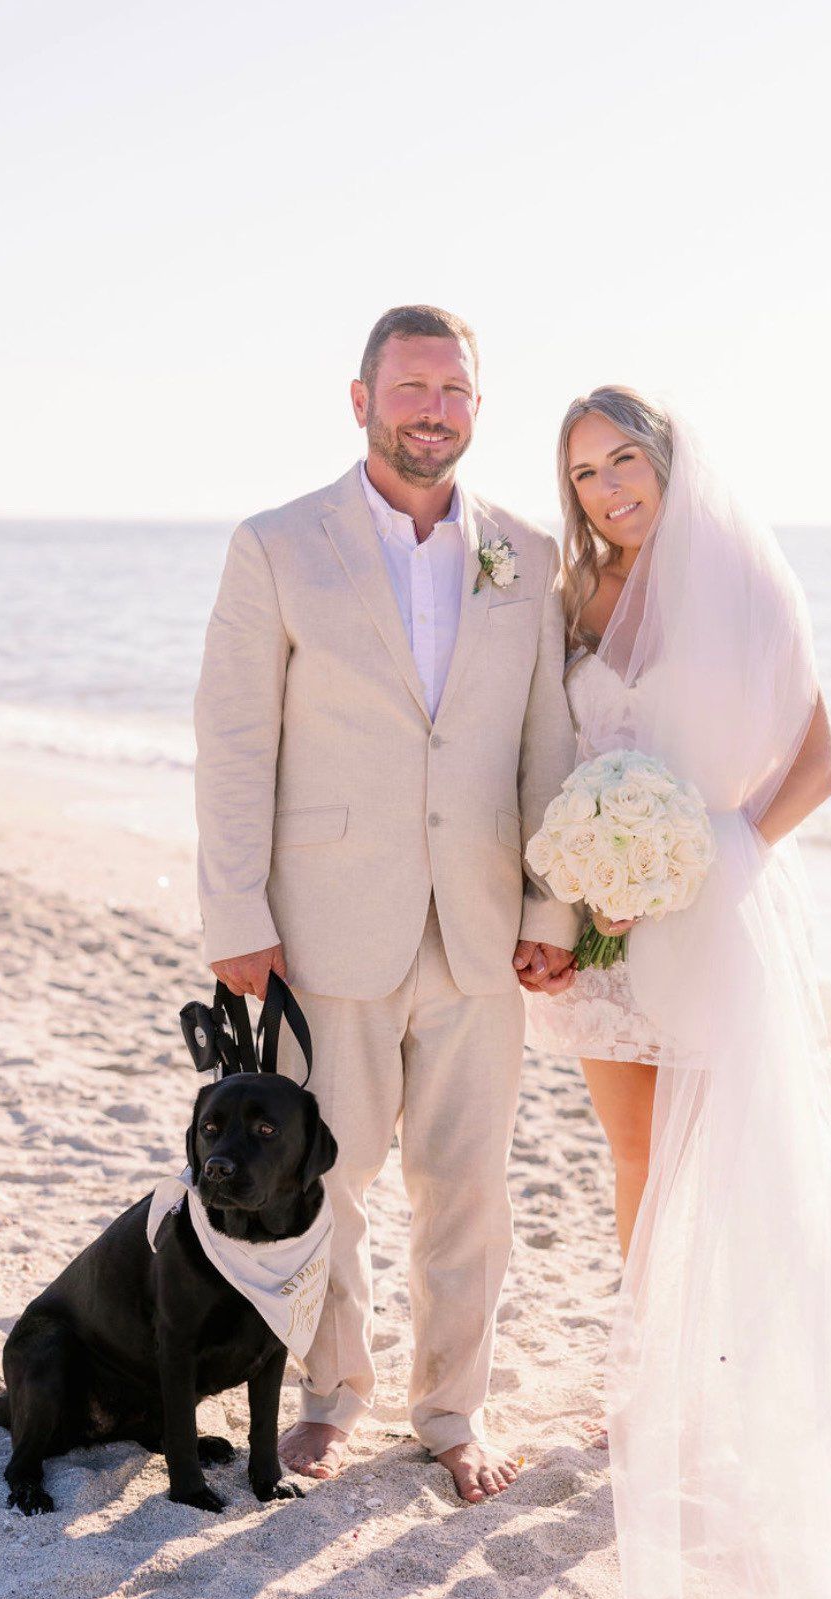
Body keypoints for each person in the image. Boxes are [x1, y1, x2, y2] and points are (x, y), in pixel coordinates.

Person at [526, 387, 831, 1599]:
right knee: (631, 1158)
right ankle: (645, 1382)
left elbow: (816, 762)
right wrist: (583, 888)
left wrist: (714, 852)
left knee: (719, 1166)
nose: (608, 489)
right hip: (609, 917)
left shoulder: (739, 581)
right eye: (582, 474)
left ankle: (711, 1385)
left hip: (704, 915)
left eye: (624, 460)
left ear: (669, 461)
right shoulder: (576, 599)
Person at [192, 305, 579, 1504]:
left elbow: (546, 745)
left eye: (454, 391)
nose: (434, 410)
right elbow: (234, 734)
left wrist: (550, 909)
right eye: (411, 388)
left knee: (468, 1184)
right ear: (361, 399)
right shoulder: (276, 543)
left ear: (477, 405)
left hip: (475, 928)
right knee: (332, 1181)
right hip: (323, 917)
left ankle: (452, 1407)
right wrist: (235, 913)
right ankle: (329, 1398)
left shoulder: (527, 554)